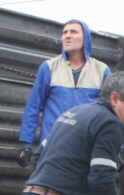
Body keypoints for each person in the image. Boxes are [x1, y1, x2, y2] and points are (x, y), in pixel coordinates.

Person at [17, 19, 110, 167]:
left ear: (85, 38)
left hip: (87, 147)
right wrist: (26, 144)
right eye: (64, 32)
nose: (67, 35)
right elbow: (34, 106)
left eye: (73, 32)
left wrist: (114, 149)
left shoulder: (101, 70)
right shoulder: (49, 67)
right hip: (53, 146)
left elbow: (109, 112)